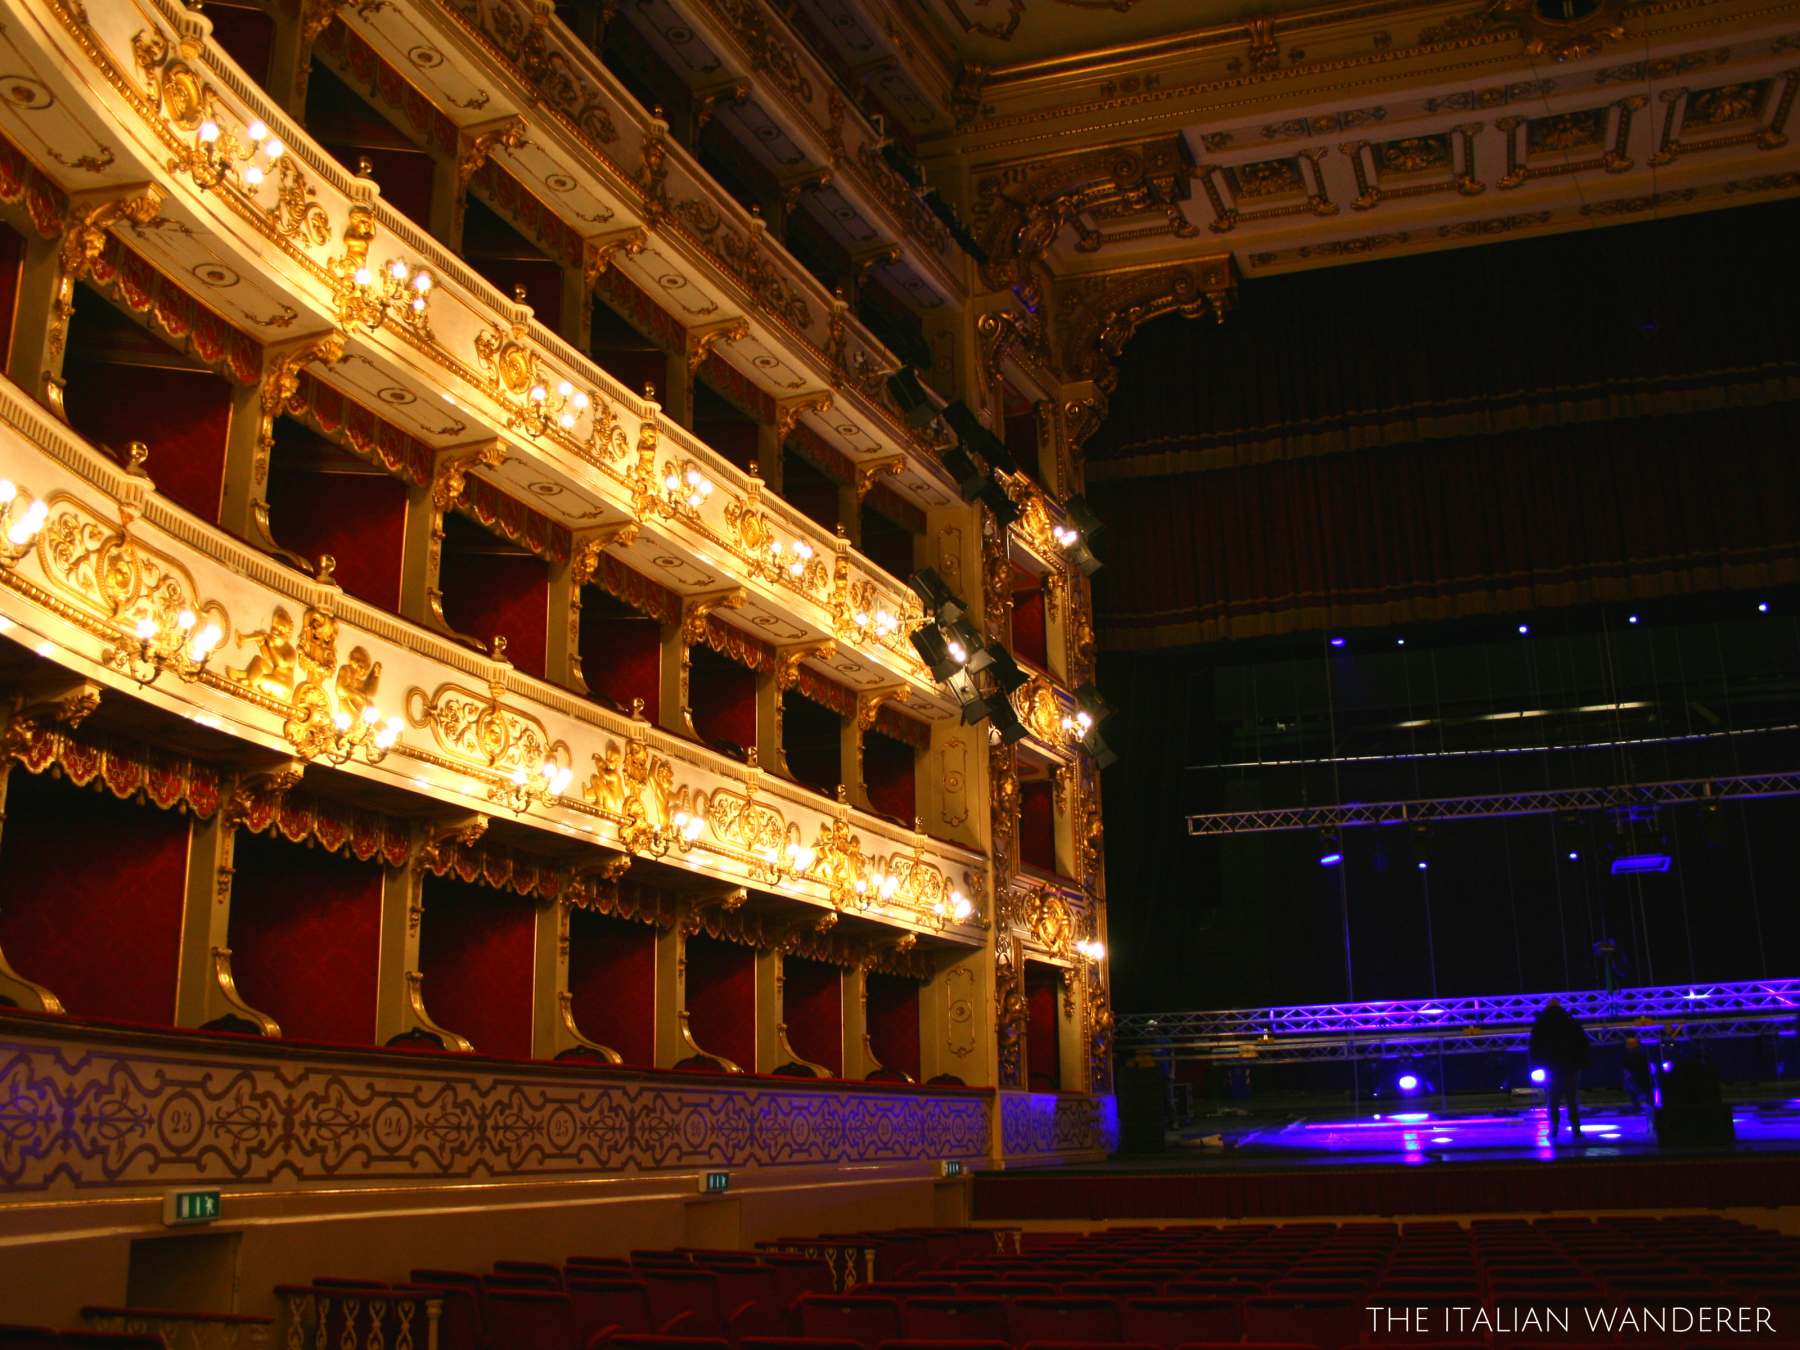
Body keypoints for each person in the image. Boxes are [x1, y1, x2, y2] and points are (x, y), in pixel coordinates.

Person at [1529, 998, 1592, 1139]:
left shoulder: (1541, 1023)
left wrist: (1541, 1062)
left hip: (1552, 1067)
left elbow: (1534, 1047)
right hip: (1571, 1066)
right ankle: (1576, 1130)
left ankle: (1554, 1129)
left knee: (1553, 1098)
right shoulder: (1570, 1022)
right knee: (1571, 1098)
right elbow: (1584, 1044)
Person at [1621, 1036, 1654, 1111]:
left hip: (1637, 1084)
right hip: (1648, 1084)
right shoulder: (1645, 1056)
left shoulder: (1627, 1058)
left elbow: (1626, 1073)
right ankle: (1650, 1101)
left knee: (1626, 1082)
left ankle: (1635, 1104)